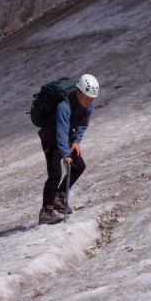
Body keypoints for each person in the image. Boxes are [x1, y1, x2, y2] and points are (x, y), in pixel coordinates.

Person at [38, 74, 99, 225]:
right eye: (87, 99)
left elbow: (83, 124)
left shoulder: (87, 105)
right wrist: (66, 154)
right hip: (50, 140)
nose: (89, 103)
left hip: (67, 140)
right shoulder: (64, 106)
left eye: (91, 100)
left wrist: (77, 141)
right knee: (55, 174)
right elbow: (61, 130)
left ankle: (59, 196)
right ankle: (45, 211)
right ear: (78, 93)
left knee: (79, 165)